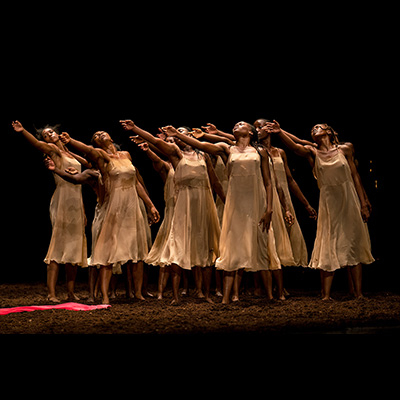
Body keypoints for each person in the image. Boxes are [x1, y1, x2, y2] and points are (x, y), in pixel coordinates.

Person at [163, 121, 281, 304]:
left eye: (241, 124)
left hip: (256, 202)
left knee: (260, 244)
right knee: (232, 246)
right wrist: (178, 135)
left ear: (250, 131)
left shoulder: (260, 152)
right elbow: (201, 145)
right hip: (236, 203)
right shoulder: (227, 149)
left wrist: (269, 209)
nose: (236, 125)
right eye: (235, 124)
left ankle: (270, 296)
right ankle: (226, 298)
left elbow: (268, 182)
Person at [266, 120, 374, 300]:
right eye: (312, 129)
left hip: (348, 199)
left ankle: (358, 293)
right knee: (328, 241)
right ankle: (326, 294)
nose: (314, 129)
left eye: (318, 126)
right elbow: (295, 146)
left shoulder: (345, 149)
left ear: (329, 131)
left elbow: (355, 176)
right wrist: (280, 132)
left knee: (353, 241)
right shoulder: (313, 152)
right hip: (329, 202)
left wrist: (363, 203)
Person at [120, 120, 224, 304]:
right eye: (175, 136)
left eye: (180, 134)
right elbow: (156, 141)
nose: (176, 138)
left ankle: (207, 294)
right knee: (179, 245)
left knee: (205, 247)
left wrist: (226, 201)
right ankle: (176, 297)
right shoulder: (176, 154)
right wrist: (135, 128)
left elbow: (214, 182)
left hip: (203, 202)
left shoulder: (203, 156)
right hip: (184, 203)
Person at [60, 130, 160, 304]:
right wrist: (71, 141)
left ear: (112, 137)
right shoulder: (102, 156)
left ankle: (138, 293)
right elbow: (88, 151)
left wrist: (150, 205)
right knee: (108, 250)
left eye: (102, 132)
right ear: (96, 143)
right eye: (96, 135)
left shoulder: (126, 155)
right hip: (114, 205)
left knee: (136, 250)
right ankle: (105, 295)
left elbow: (136, 182)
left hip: (132, 206)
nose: (100, 134)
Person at [12, 120, 88, 302]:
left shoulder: (67, 152)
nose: (49, 136)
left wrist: (69, 147)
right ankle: (51, 293)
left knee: (74, 248)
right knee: (58, 245)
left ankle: (71, 292)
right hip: (62, 198)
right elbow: (37, 144)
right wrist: (23, 131)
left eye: (51, 133)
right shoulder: (52, 151)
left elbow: (87, 163)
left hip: (76, 200)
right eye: (46, 135)